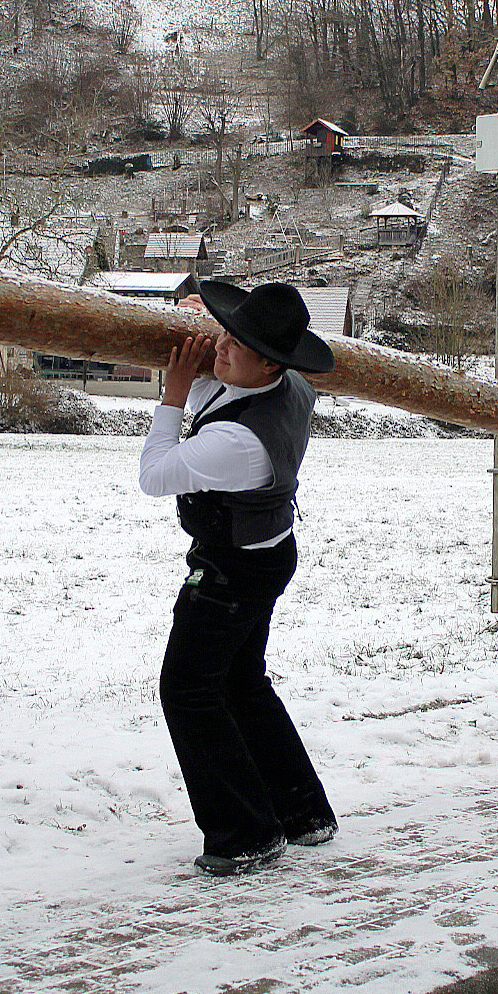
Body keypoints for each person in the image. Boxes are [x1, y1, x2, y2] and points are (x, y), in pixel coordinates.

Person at [141, 281, 339, 875]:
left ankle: (244, 833)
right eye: (226, 332)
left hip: (232, 568)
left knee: (189, 689)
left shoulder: (238, 441)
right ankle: (302, 812)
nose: (222, 347)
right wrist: (204, 370)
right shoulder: (292, 387)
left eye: (237, 343)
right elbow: (225, 391)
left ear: (271, 361)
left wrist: (172, 395)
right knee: (243, 682)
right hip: (266, 551)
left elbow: (156, 475)